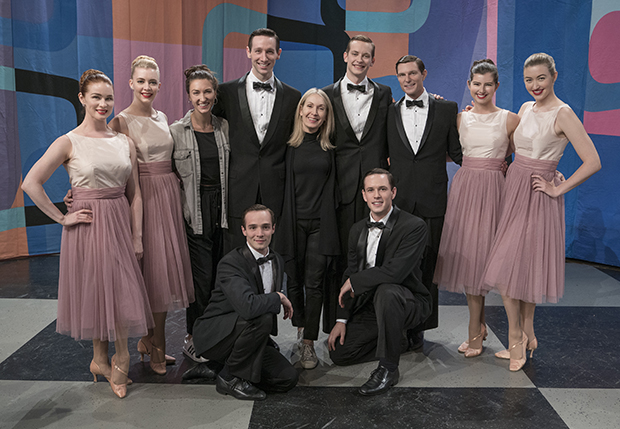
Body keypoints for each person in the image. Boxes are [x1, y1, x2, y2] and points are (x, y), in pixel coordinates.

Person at [22, 69, 154, 399]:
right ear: (82, 99)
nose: (103, 104)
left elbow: (134, 193)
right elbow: (30, 183)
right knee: (98, 290)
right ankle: (106, 358)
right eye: (96, 97)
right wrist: (62, 219)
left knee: (120, 288)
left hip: (119, 221)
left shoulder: (124, 141)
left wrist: (137, 236)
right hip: (88, 225)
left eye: (108, 98)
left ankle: (111, 357)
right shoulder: (69, 141)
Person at [482, 53, 601, 371]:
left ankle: (517, 336)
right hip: (514, 189)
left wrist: (558, 188)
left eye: (541, 78)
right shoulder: (524, 108)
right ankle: (528, 334)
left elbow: (593, 160)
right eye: (528, 79)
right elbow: (514, 145)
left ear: (554, 76)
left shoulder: (563, 114)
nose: (534, 85)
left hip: (537, 195)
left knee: (517, 269)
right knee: (515, 268)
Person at [107, 55, 194, 374]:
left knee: (162, 275)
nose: (147, 87)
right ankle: (155, 345)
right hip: (139, 199)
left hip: (167, 198)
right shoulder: (119, 122)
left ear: (159, 85)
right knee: (149, 276)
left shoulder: (163, 117)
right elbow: (108, 164)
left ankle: (149, 340)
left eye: (152, 81)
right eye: (141, 81)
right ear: (130, 83)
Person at [433, 59, 519, 357]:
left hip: (496, 191)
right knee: (470, 259)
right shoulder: (460, 119)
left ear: (496, 86)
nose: (482, 89)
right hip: (466, 189)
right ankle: (475, 331)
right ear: (469, 85)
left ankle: (512, 336)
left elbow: (526, 151)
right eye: (476, 83)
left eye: (488, 84)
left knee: (493, 260)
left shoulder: (510, 119)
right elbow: (445, 152)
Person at [328, 169, 431, 396]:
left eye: (382, 189)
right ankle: (398, 340)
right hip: (372, 305)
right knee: (340, 354)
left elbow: (395, 273)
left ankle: (388, 368)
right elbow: (350, 272)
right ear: (364, 195)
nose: (377, 195)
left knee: (387, 291)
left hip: (408, 301)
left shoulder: (414, 226)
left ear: (393, 192)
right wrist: (341, 318)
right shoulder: (356, 230)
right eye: (371, 190)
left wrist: (355, 281)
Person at [387, 55, 462, 349]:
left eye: (412, 74)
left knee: (429, 267)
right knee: (400, 265)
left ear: (424, 74)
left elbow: (458, 151)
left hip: (432, 199)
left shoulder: (446, 108)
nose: (407, 79)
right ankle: (401, 323)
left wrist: (501, 162)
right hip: (399, 201)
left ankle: (421, 326)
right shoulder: (388, 111)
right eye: (402, 75)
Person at [322, 35, 393, 332]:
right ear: (345, 56)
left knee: (374, 258)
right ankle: (335, 323)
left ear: (373, 61)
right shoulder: (327, 94)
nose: (360, 60)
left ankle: (371, 324)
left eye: (366, 56)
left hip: (375, 190)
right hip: (341, 189)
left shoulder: (384, 93)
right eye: (355, 54)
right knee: (338, 258)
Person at [191, 204, 298, 401]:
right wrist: (279, 297)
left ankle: (221, 367)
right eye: (253, 228)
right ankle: (230, 378)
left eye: (265, 227)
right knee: (262, 316)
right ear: (244, 231)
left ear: (274, 228)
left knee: (288, 378)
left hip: (247, 334)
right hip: (216, 335)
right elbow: (248, 307)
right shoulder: (230, 263)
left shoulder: (277, 260)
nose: (260, 233)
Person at [212, 28, 301, 252]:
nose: (264, 57)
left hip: (276, 189)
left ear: (279, 53)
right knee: (235, 252)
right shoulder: (225, 92)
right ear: (248, 52)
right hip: (237, 187)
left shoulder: (293, 97)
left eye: (270, 51)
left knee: (276, 254)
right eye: (258, 51)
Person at [170, 65, 230, 363]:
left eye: (207, 91)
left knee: (221, 276)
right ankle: (193, 337)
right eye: (196, 92)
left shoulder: (224, 128)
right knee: (200, 279)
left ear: (215, 94)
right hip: (195, 210)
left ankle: (217, 335)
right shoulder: (176, 132)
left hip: (224, 210)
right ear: (188, 96)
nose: (202, 97)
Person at [277, 88, 339, 369]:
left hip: (320, 225)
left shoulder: (330, 147)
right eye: (309, 106)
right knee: (293, 283)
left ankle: (308, 343)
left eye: (321, 108)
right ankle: (301, 326)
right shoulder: (287, 147)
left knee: (314, 285)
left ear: (327, 115)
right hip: (291, 224)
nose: (314, 112)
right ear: (300, 109)